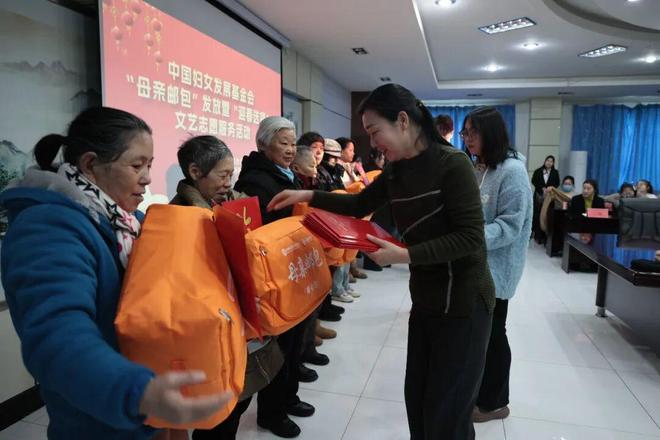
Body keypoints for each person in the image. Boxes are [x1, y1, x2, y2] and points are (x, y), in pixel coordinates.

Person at [268, 83, 495, 440]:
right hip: (427, 297)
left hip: (464, 301)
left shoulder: (452, 165)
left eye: (375, 131)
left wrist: (404, 255)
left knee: (448, 410)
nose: (373, 143)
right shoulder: (396, 169)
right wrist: (308, 194)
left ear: (403, 120)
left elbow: (470, 238)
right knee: (418, 400)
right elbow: (360, 204)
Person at [0, 107, 232, 439]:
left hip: (149, 406)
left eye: (149, 165)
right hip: (103, 417)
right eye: (137, 165)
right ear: (90, 164)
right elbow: (57, 336)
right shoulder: (47, 228)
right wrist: (137, 393)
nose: (147, 177)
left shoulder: (128, 221)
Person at [170, 135, 284, 440]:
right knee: (221, 403)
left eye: (231, 174)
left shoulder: (236, 203)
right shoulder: (178, 216)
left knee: (241, 392)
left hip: (244, 312)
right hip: (214, 318)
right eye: (222, 175)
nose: (228, 182)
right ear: (195, 172)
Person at [234, 116, 314, 439]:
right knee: (278, 348)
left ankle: (288, 398)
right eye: (284, 143)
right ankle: (272, 413)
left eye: (293, 143)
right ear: (263, 144)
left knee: (293, 343)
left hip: (293, 269)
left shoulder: (286, 174)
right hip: (275, 276)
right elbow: (260, 234)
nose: (291, 149)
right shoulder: (256, 181)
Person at [459, 107, 533, 423]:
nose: (467, 138)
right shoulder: (480, 166)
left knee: (493, 335)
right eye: (465, 132)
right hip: (476, 264)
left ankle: (495, 403)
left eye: (473, 132)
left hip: (498, 269)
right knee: (479, 335)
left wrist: (466, 237)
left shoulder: (512, 171)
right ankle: (479, 393)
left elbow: (510, 226)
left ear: (491, 133)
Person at [531, 155, 560, 243]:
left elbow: (557, 183)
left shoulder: (555, 172)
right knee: (537, 214)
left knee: (547, 215)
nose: (549, 163)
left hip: (550, 196)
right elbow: (533, 181)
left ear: (553, 163)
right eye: (548, 160)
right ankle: (537, 236)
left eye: (551, 161)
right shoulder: (538, 171)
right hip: (539, 195)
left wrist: (550, 188)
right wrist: (542, 188)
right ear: (545, 161)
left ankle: (546, 237)